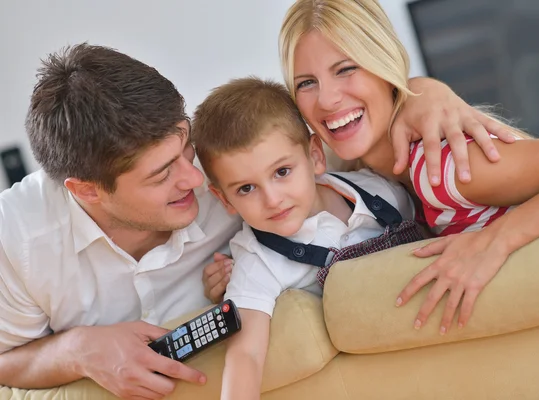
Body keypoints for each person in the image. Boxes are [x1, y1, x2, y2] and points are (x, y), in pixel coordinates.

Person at [0, 43, 512, 399]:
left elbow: (326, 116)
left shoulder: (230, 166)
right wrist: (76, 350)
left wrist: (422, 93)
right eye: (162, 176)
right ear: (86, 190)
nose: (195, 180)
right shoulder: (19, 238)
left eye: (185, 147)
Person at [277, 0, 539, 336]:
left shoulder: (443, 166)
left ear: (384, 65)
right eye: (306, 83)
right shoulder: (367, 179)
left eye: (345, 69)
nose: (327, 99)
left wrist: (498, 240)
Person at [192, 76, 427, 400]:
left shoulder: (379, 190)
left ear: (315, 156)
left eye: (282, 172)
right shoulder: (256, 259)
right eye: (246, 188)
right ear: (225, 199)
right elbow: (246, 354)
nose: (272, 199)